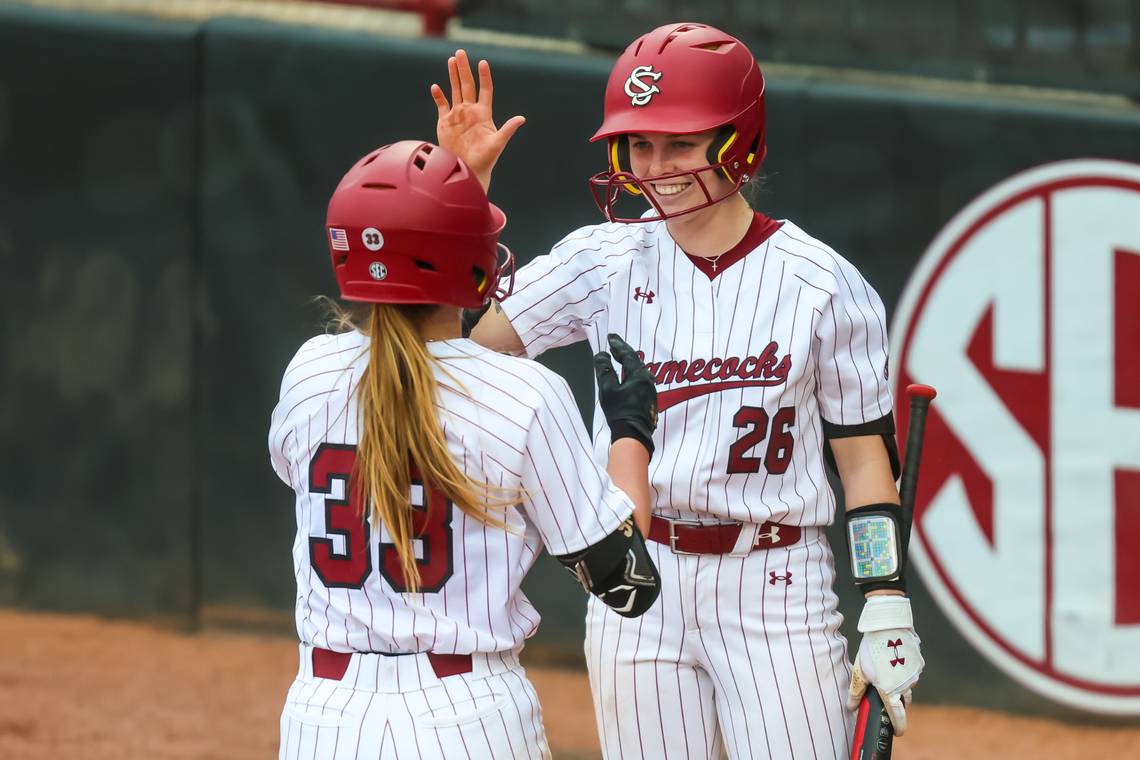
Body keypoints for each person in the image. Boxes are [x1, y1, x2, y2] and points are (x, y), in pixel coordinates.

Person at [433, 23, 924, 760]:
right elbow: (458, 352)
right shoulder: (599, 259)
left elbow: (861, 459)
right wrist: (461, 199)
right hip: (635, 580)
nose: (654, 166)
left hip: (776, 580)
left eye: (680, 143)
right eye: (639, 144)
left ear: (740, 144)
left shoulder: (823, 282)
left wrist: (885, 597)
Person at [267, 139, 661, 760]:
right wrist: (631, 430)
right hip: (467, 717)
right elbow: (627, 584)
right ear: (468, 260)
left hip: (324, 717)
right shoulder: (525, 392)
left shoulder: (310, 370)